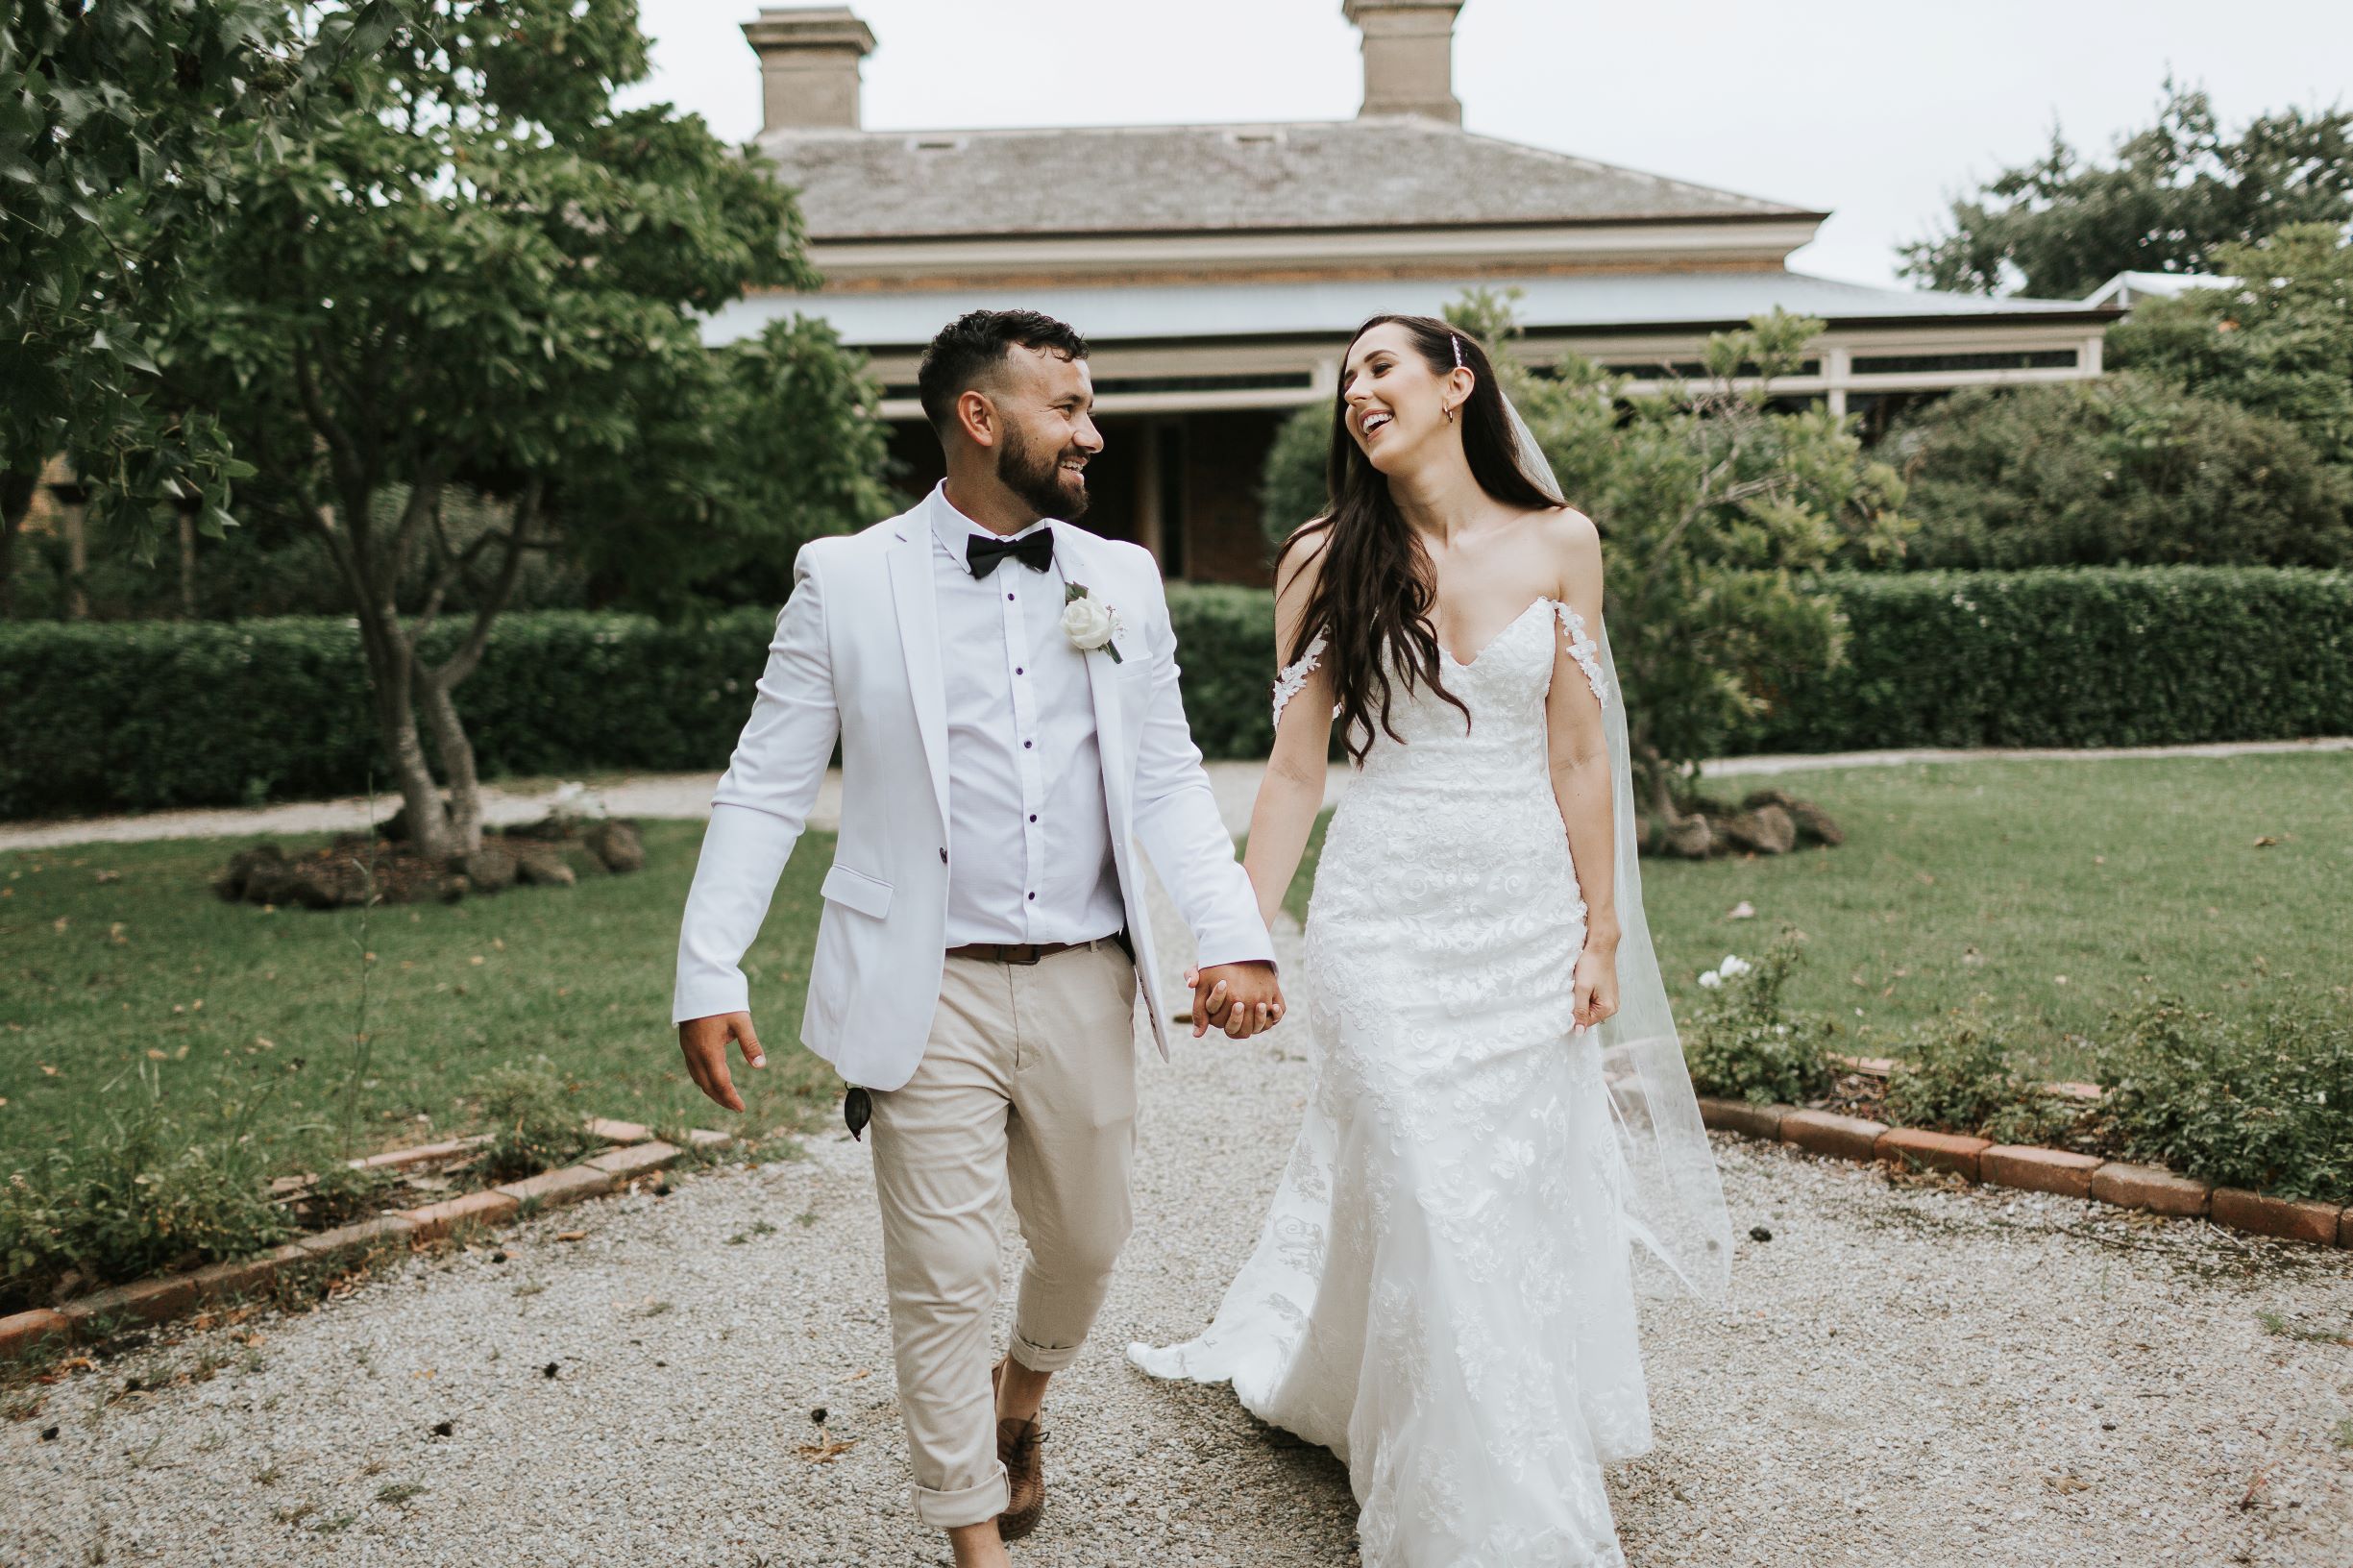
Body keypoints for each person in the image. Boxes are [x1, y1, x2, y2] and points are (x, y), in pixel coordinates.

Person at [672, 308, 1284, 1568]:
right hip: (922, 987)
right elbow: (766, 783)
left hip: (1085, 972)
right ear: (978, 415)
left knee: (1085, 1240)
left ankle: (1021, 1403)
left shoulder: (1120, 579)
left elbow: (1165, 777)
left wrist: (1236, 940)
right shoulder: (843, 578)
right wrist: (706, 966)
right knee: (942, 1272)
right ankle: (971, 1536)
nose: (1091, 431)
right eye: (1066, 406)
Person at [1131, 315, 1731, 1566]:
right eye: (1346, 377)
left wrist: (1601, 934)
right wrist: (1235, 936)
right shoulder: (1316, 557)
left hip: (1521, 925)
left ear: (1459, 384)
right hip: (1383, 926)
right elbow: (1295, 775)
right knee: (1419, 1178)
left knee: (1493, 1192)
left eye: (1380, 367)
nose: (1358, 391)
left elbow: (1577, 751)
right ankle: (1472, 1512)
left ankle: (1398, 1393)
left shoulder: (1562, 543)